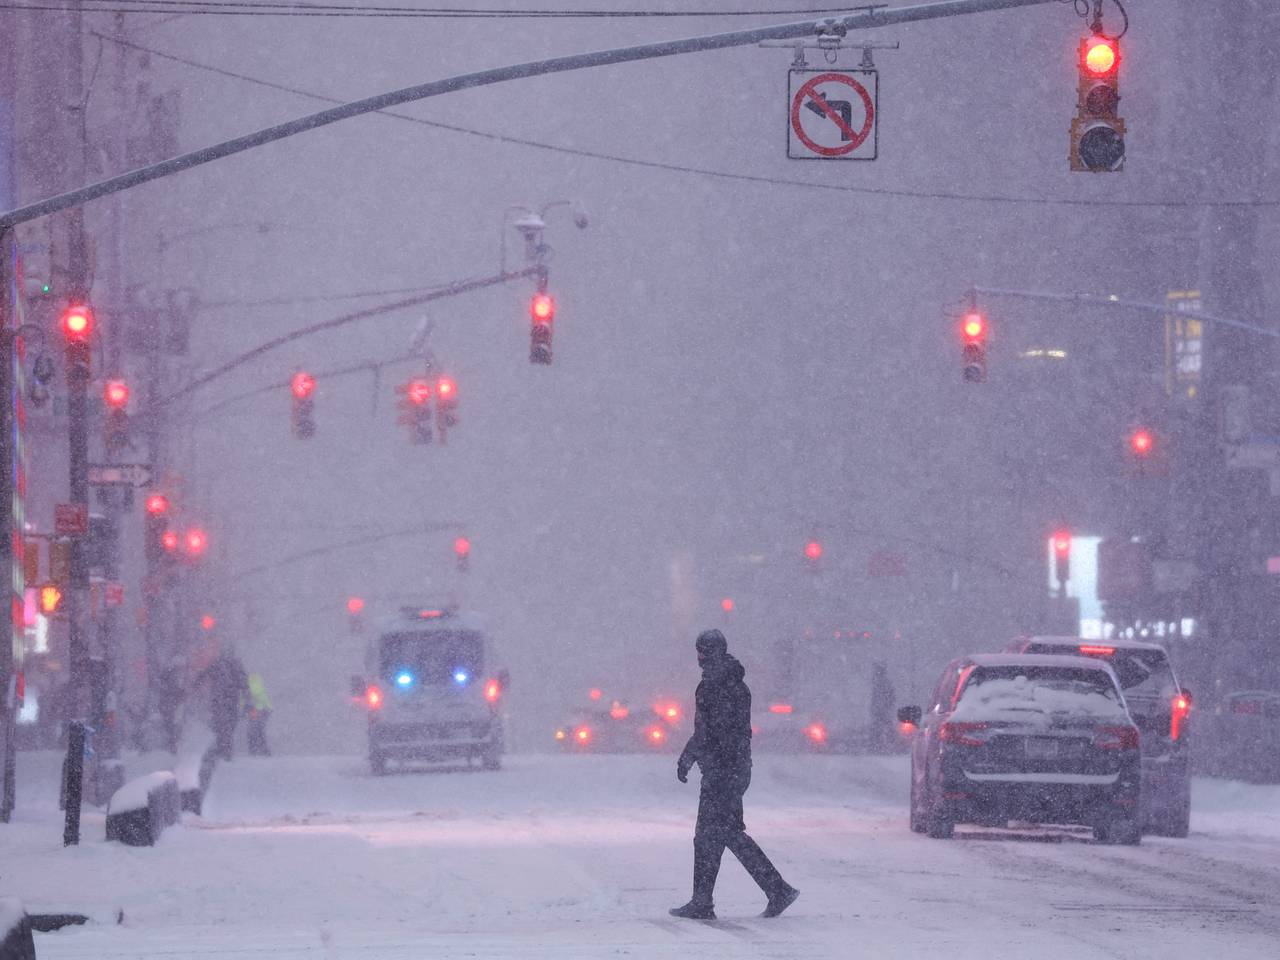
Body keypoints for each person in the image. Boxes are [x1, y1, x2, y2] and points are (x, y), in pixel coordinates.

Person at [670, 629, 799, 921]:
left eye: (702, 651)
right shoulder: (734, 683)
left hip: (722, 772)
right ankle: (708, 900)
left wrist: (691, 757)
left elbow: (709, 731)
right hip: (734, 769)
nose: (699, 658)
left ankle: (774, 889)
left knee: (716, 834)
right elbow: (721, 731)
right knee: (716, 835)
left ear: (709, 652)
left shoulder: (715, 685)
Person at [197, 646, 249, 761]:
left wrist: (197, 682)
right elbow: (244, 683)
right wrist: (246, 698)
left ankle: (222, 748)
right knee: (228, 726)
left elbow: (204, 675)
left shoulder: (217, 664)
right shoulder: (235, 665)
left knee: (220, 725)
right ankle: (226, 750)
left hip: (219, 700)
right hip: (230, 701)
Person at [244, 672, 273, 757]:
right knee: (260, 732)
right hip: (263, 711)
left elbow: (244, 701)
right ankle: (265, 751)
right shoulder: (260, 687)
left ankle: (253, 751)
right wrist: (269, 708)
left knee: (252, 732)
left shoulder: (247, 688)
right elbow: (265, 699)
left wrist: (244, 709)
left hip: (253, 712)